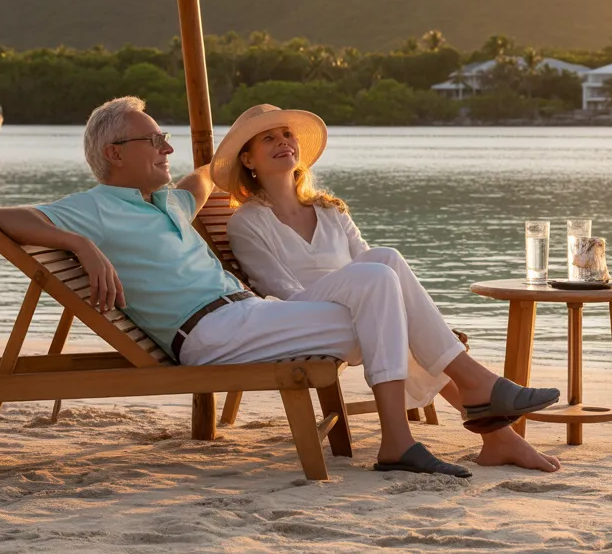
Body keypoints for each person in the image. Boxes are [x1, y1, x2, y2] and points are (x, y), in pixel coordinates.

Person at [0, 96, 557, 478]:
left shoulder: (168, 202)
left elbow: (206, 173)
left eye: (165, 138)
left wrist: (231, 149)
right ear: (115, 154)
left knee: (383, 282)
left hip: (247, 316)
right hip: (209, 333)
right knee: (380, 282)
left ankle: (416, 433)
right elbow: (1, 215)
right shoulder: (92, 210)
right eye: (154, 140)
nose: (167, 148)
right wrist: (81, 246)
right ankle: (455, 408)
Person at [211, 104, 563, 473]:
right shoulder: (247, 222)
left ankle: (497, 436)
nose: (283, 142)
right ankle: (482, 393)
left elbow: (372, 266)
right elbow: (282, 293)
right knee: (385, 271)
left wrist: (369, 299)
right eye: (269, 138)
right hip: (303, 319)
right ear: (248, 159)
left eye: (287, 134)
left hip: (367, 306)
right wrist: (361, 299)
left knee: (386, 270)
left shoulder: (330, 210)